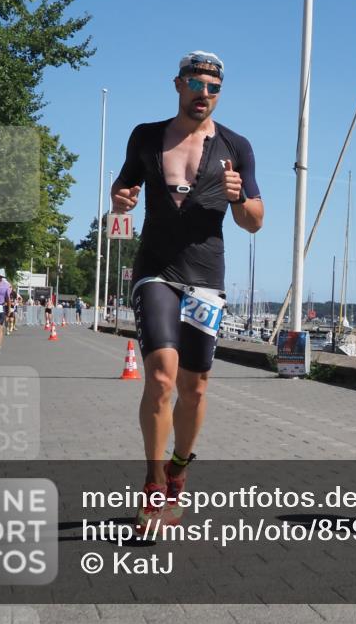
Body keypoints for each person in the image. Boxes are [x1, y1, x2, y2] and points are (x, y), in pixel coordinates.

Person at [111, 50, 263, 529]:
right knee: (159, 376)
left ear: (220, 94)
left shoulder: (236, 146)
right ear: (178, 85)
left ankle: (179, 470)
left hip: (205, 278)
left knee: (194, 388)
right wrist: (121, 199)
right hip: (155, 269)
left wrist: (240, 199)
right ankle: (154, 486)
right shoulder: (146, 136)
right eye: (195, 84)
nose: (204, 95)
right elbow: (122, 189)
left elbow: (254, 221)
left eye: (213, 88)